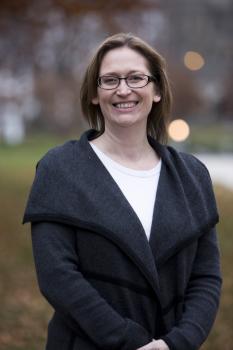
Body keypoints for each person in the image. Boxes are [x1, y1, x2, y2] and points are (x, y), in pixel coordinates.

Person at [23, 33, 222, 350]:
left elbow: (206, 277)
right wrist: (131, 342)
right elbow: (58, 276)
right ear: (94, 93)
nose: (123, 89)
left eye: (136, 78)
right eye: (110, 80)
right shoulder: (60, 169)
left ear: (156, 90)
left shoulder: (192, 176)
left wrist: (178, 343)